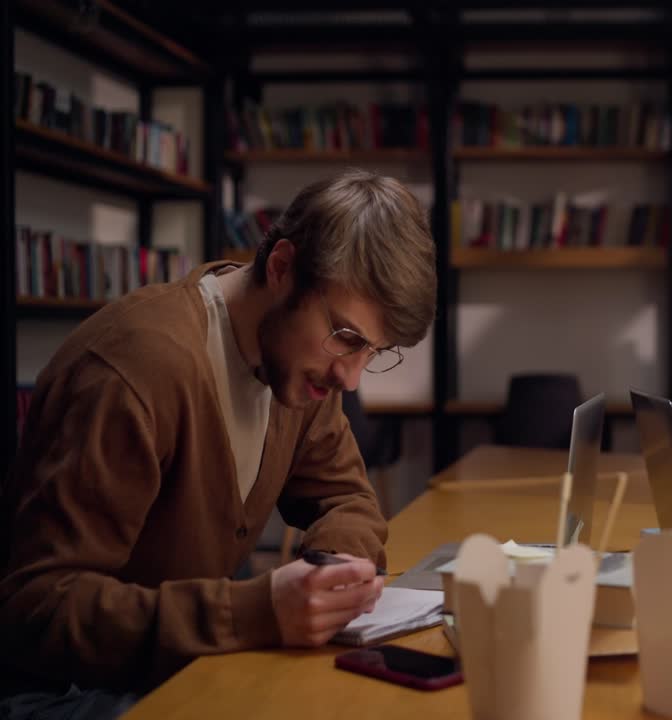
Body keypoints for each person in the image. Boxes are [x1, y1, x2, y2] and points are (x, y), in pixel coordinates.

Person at [0, 169, 437, 717]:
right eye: (347, 337)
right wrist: (249, 612)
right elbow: (35, 608)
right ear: (282, 267)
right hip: (62, 693)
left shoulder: (298, 365)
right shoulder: (137, 369)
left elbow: (346, 496)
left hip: (183, 667)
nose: (350, 378)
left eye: (373, 351)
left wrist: (336, 570)